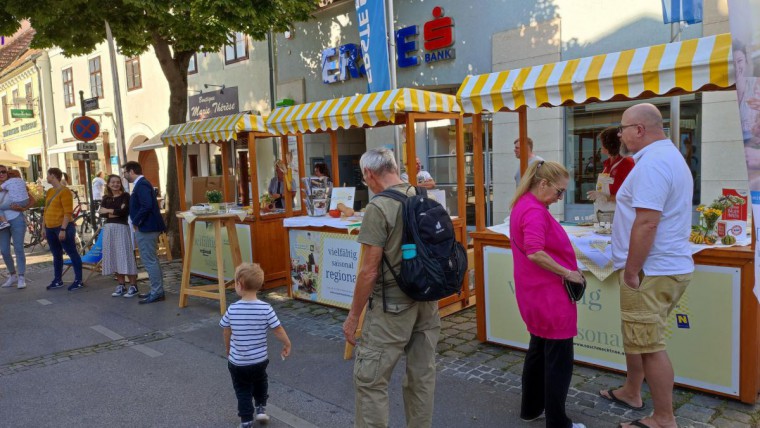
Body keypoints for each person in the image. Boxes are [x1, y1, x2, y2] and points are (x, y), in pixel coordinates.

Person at [602, 103, 694, 428]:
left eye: (623, 128)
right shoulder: (664, 158)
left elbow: (646, 224)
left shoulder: (654, 164)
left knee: (650, 345)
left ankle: (663, 418)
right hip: (660, 267)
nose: (620, 134)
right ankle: (631, 390)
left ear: (639, 130)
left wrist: (631, 270)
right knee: (638, 336)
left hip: (650, 270)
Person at [342, 148, 440, 427]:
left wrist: (353, 317)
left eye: (365, 179)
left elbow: (369, 270)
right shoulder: (423, 196)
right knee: (421, 378)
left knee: (371, 380)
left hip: (393, 305)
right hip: (427, 301)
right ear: (394, 168)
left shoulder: (379, 207)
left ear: (369, 174)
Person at [510, 160, 586, 428]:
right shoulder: (534, 211)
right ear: (543, 184)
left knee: (538, 351)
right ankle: (558, 422)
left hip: (534, 293)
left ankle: (530, 409)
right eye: (559, 191)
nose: (559, 197)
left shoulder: (524, 205)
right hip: (550, 296)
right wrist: (568, 273)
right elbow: (535, 251)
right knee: (558, 361)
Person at [220, 262, 291, 428]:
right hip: (259, 361)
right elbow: (277, 329)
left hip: (238, 362)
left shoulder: (232, 309)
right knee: (260, 382)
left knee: (242, 390)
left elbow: (226, 331)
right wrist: (287, 343)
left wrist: (228, 349)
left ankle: (246, 421)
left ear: (239, 285)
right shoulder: (266, 308)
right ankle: (261, 409)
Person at [123, 161, 166, 304]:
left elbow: (146, 205)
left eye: (125, 173)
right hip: (147, 227)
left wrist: (136, 221)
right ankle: (157, 290)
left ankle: (157, 291)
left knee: (149, 261)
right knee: (151, 260)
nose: (124, 176)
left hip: (146, 228)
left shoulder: (141, 184)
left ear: (131, 171)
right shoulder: (142, 184)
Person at [99, 174, 139, 298]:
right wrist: (113, 211)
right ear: (108, 184)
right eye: (113, 182)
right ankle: (121, 284)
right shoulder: (106, 197)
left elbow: (124, 212)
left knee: (125, 255)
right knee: (114, 255)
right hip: (109, 229)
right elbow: (101, 213)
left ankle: (133, 285)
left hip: (121, 228)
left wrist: (108, 210)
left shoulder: (125, 196)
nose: (115, 184)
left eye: (117, 182)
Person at [44, 167, 83, 291]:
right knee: (56, 254)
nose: (46, 177)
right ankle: (57, 280)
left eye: (48, 175)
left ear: (53, 176)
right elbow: (46, 210)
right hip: (50, 228)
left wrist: (63, 229)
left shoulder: (65, 192)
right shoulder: (50, 191)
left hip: (62, 227)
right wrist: (43, 227)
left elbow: (68, 212)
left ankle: (78, 280)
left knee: (72, 252)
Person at [0, 165, 34, 289]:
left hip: (17, 219)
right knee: (4, 250)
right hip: (2, 223)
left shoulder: (14, 184)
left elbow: (32, 199)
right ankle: (12, 275)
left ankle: (21, 276)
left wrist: (23, 208)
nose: (2, 174)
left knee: (19, 248)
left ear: (7, 173)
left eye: (3, 171)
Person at [586, 127, 635, 213]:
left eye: (602, 144)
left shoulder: (628, 163)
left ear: (610, 144)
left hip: (620, 214)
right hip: (602, 214)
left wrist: (606, 197)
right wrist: (599, 195)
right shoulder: (607, 164)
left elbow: (631, 196)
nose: (601, 147)